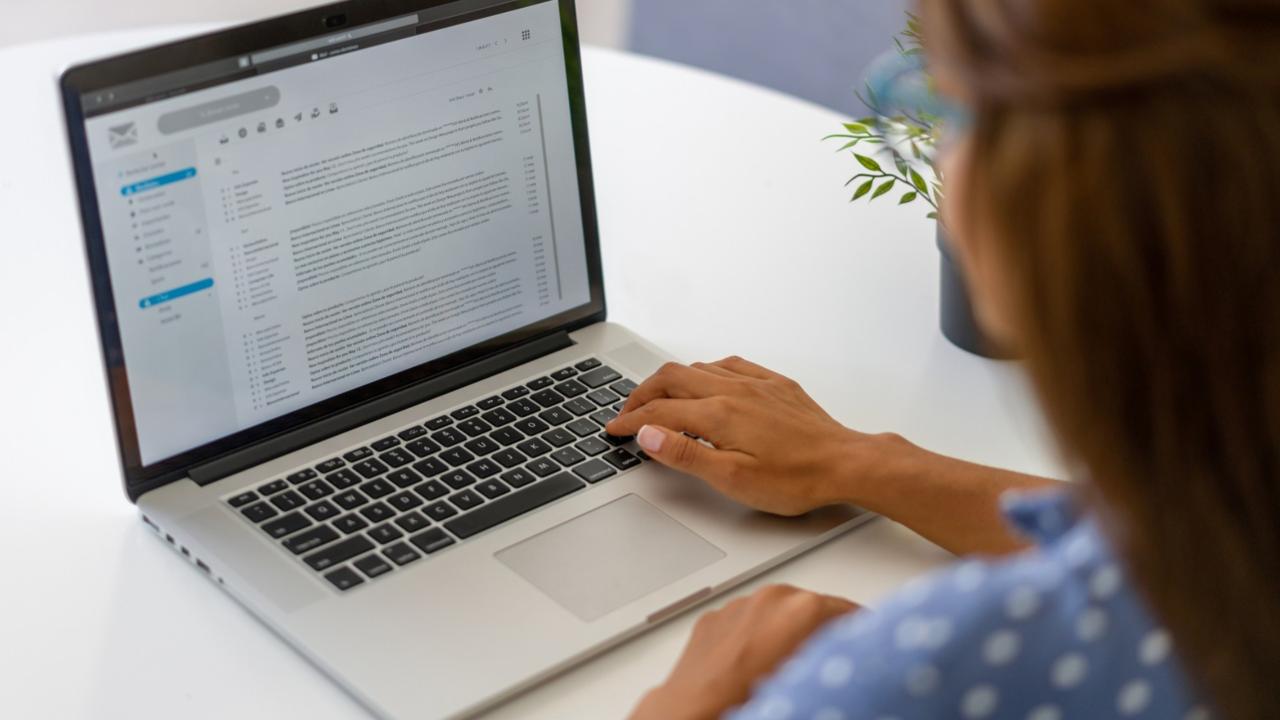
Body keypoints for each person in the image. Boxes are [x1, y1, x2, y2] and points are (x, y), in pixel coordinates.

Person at [608, 0, 1280, 718]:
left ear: (1030, 200)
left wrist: (681, 704)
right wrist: (859, 461)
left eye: (949, 106)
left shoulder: (916, 676)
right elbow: (1178, 547)